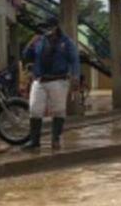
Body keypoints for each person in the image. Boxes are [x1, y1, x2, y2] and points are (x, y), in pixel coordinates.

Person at [22, 19, 80, 150]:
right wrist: (31, 43)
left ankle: (55, 139)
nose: (46, 30)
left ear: (55, 28)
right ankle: (34, 141)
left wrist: (75, 77)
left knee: (58, 110)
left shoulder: (66, 42)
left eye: (48, 27)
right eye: (44, 28)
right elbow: (26, 55)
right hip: (40, 80)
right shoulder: (39, 41)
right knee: (34, 110)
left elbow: (74, 60)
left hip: (58, 80)